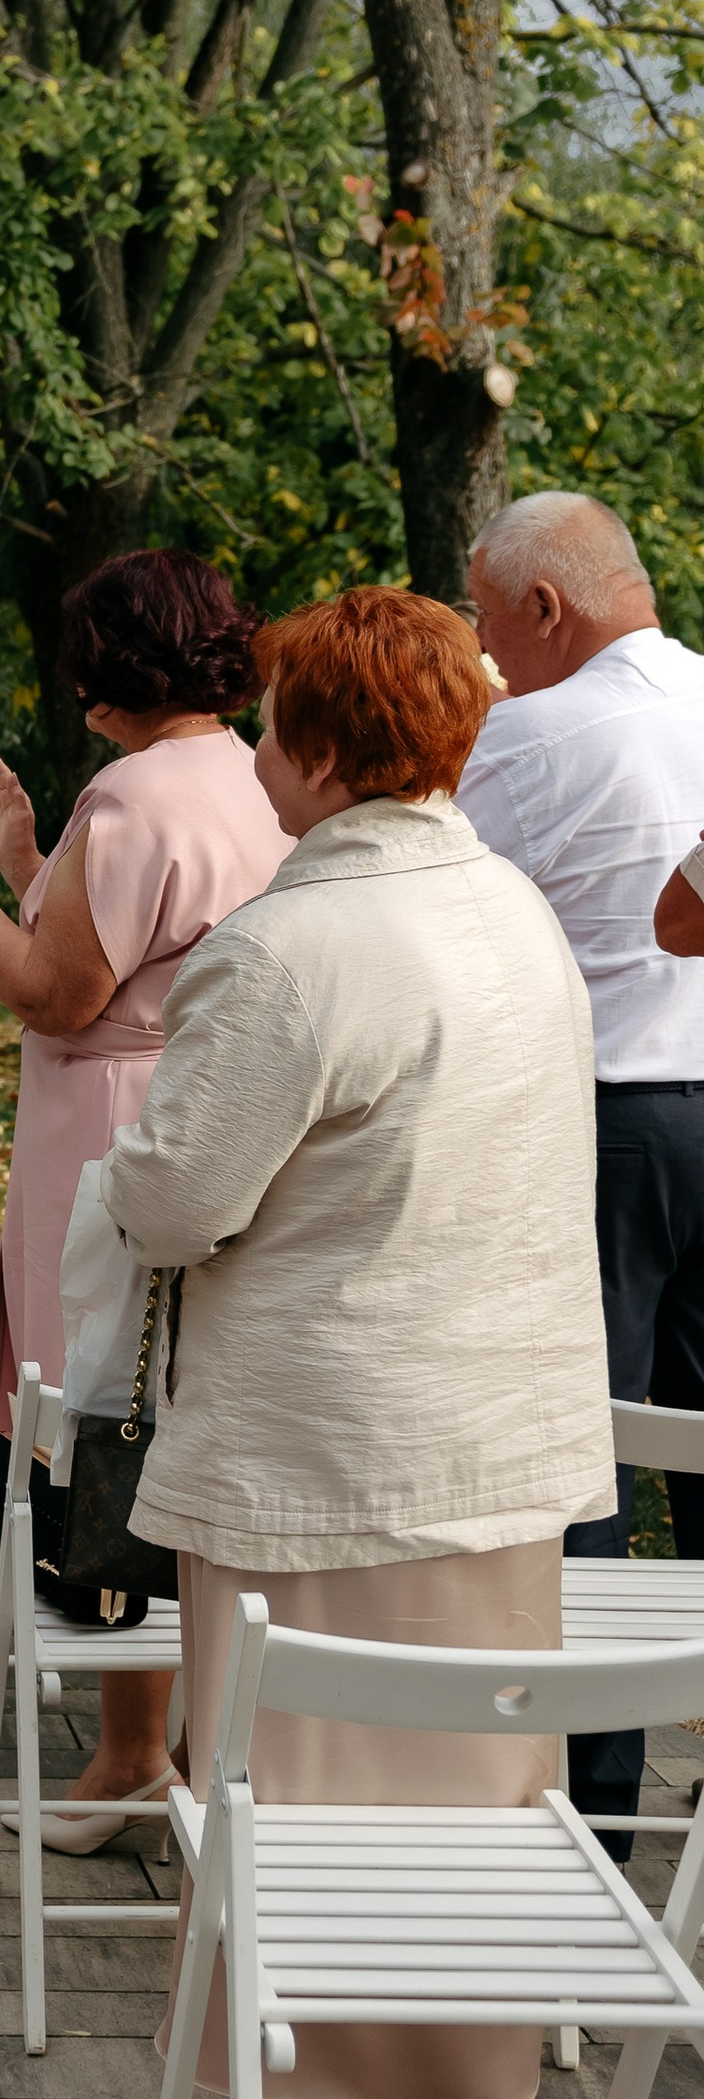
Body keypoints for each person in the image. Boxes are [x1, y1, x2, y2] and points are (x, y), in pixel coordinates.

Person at [94, 586, 613, 2099]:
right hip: (500, 1434)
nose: (252, 751)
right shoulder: (515, 912)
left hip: (319, 1438)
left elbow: (179, 1203)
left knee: (289, 1782)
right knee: (467, 1791)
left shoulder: (289, 947)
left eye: (268, 726)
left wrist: (114, 1171)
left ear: (317, 754)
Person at [0, 550, 291, 1838]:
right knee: (192, 1411)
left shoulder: (133, 795)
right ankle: (204, 1741)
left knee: (109, 1412)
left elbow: (53, 992)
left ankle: (129, 1752)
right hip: (218, 1112)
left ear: (115, 667)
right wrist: (26, 851)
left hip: (110, 1127)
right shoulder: (260, 776)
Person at [457, 492, 704, 1832]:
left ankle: (591, 1805)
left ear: (545, 607)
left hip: (604, 1124)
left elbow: (447, 898)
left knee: (585, 1458)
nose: (492, 654)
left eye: (493, 624)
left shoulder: (536, 729)